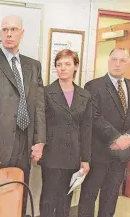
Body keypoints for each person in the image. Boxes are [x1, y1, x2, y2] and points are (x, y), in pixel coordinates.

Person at [0, 15, 46, 217]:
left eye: (13, 29)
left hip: (25, 143)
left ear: (22, 33)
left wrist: (39, 141)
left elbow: (39, 105)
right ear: (0, 33)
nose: (9, 34)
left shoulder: (33, 66)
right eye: (5, 30)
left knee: (20, 195)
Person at [78, 48, 130, 217]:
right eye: (114, 59)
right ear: (108, 61)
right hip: (98, 153)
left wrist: (129, 137)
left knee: (111, 197)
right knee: (89, 196)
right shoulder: (94, 86)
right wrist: (116, 138)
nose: (117, 64)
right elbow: (93, 116)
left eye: (122, 60)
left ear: (129, 63)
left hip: (121, 156)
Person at [38, 49, 92, 217]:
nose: (62, 68)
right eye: (59, 64)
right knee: (48, 198)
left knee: (65, 199)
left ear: (76, 67)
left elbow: (86, 128)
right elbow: (39, 124)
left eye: (67, 64)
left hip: (73, 155)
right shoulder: (46, 92)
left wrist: (85, 159)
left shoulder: (84, 95)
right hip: (51, 154)